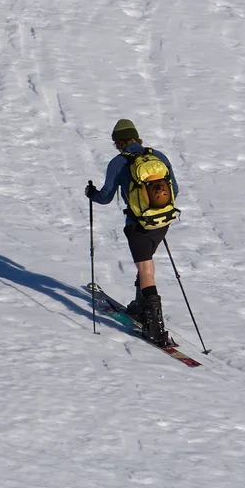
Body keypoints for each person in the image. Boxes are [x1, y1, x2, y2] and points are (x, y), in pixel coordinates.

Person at [86, 118, 181, 346]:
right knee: (147, 261)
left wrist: (91, 193)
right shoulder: (158, 156)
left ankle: (154, 325)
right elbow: (175, 189)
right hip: (163, 221)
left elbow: (106, 197)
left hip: (138, 224)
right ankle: (140, 306)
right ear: (137, 137)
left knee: (145, 268)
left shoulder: (118, 163)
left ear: (118, 142)